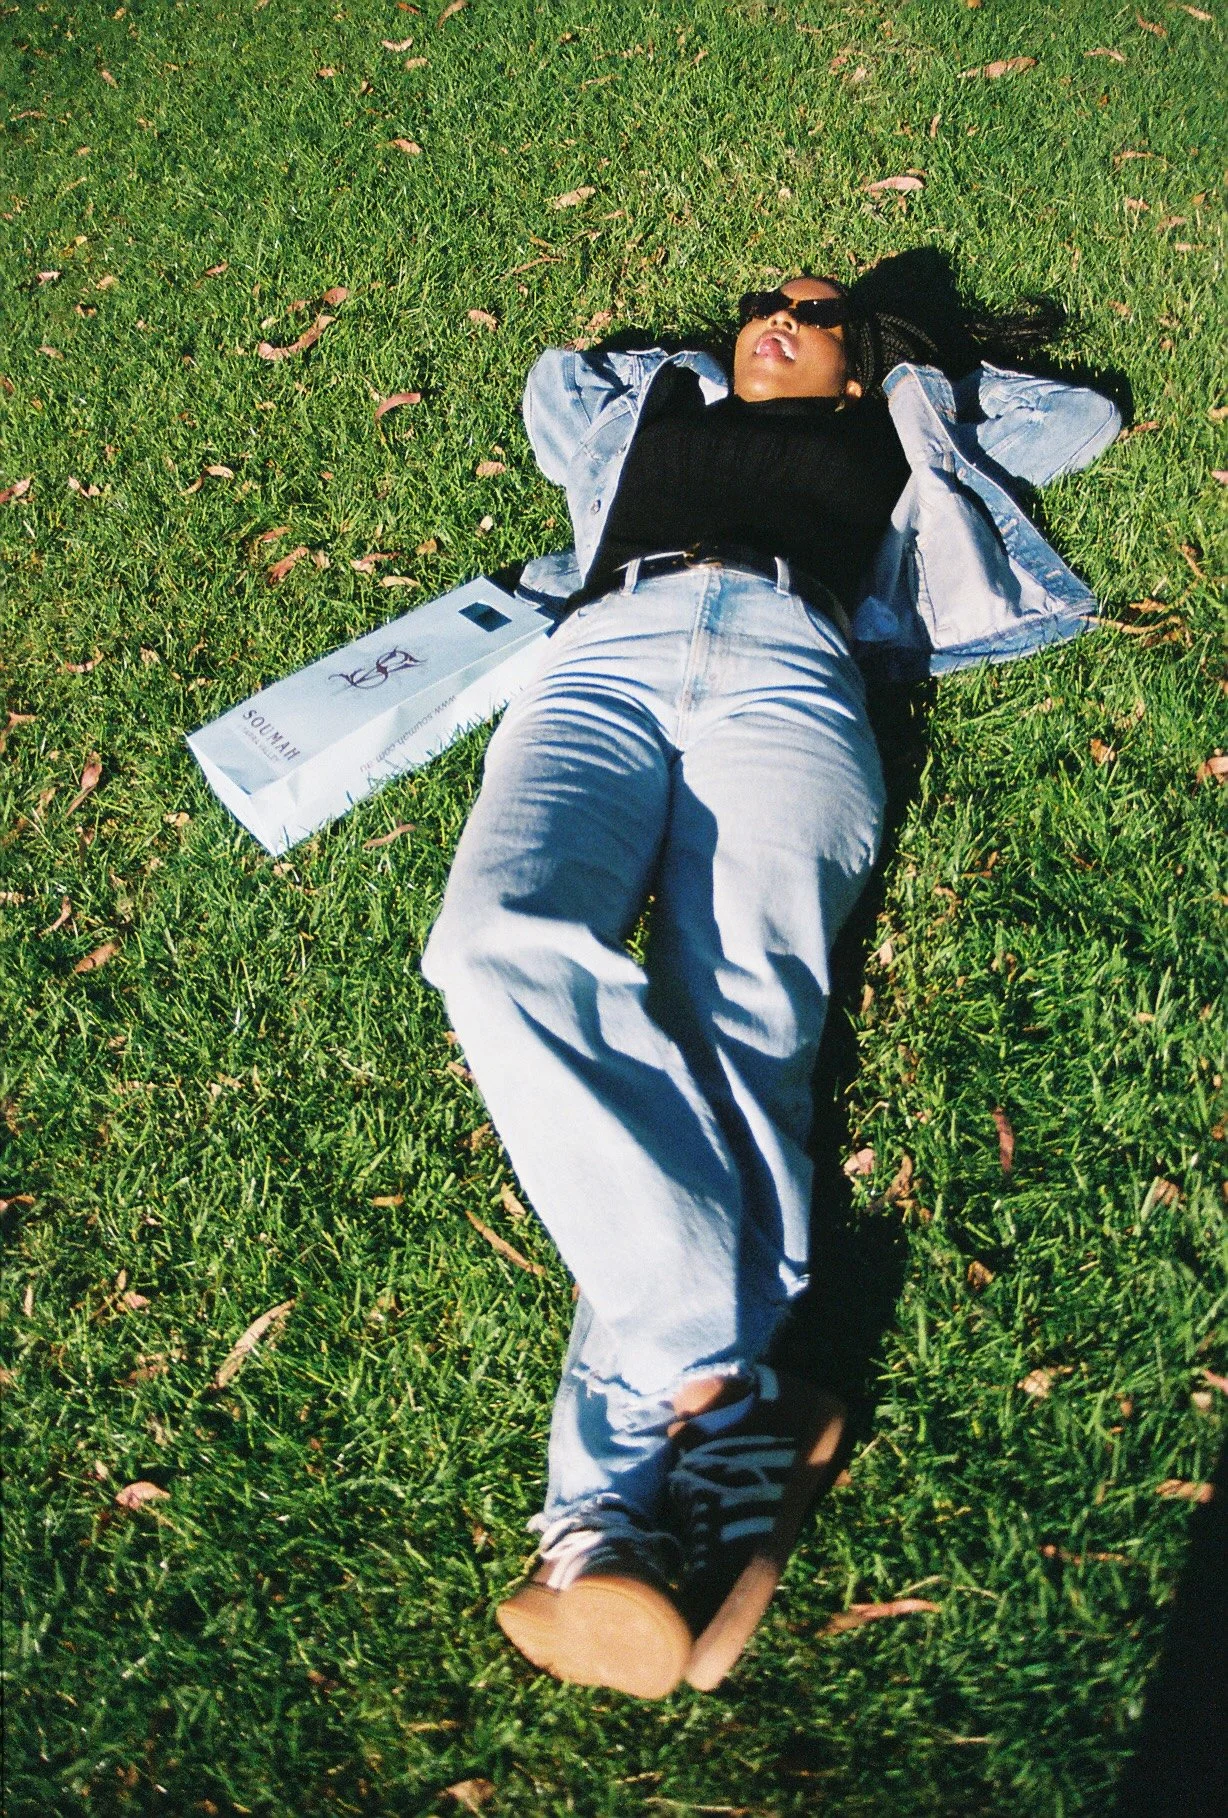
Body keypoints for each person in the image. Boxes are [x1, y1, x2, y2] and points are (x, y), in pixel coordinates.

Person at [421, 270, 1121, 1699]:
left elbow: (1083, 419)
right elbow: (558, 379)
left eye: (816, 311)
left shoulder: (889, 425)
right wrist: (709, 360)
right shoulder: (660, 404)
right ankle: (714, 1366)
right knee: (490, 936)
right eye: (762, 301)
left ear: (867, 364)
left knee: (736, 1044)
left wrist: (923, 383)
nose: (777, 315)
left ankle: (599, 1525)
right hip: (601, 658)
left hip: (791, 675)